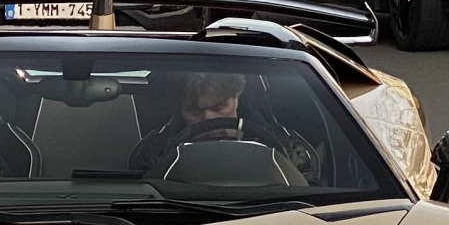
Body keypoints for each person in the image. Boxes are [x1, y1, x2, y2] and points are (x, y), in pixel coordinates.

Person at [127, 71, 315, 180]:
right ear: (180, 110)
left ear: (237, 99)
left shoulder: (289, 149)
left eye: (218, 106)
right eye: (194, 110)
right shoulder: (153, 153)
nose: (209, 119)